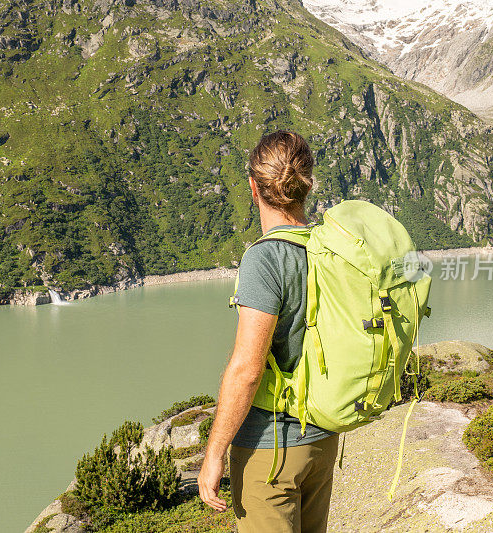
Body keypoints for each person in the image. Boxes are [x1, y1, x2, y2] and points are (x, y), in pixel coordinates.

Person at [198, 131, 338, 533]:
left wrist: (213, 453)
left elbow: (247, 370)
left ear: (253, 188)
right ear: (307, 184)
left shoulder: (265, 258)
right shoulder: (327, 249)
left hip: (271, 448)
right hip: (323, 438)